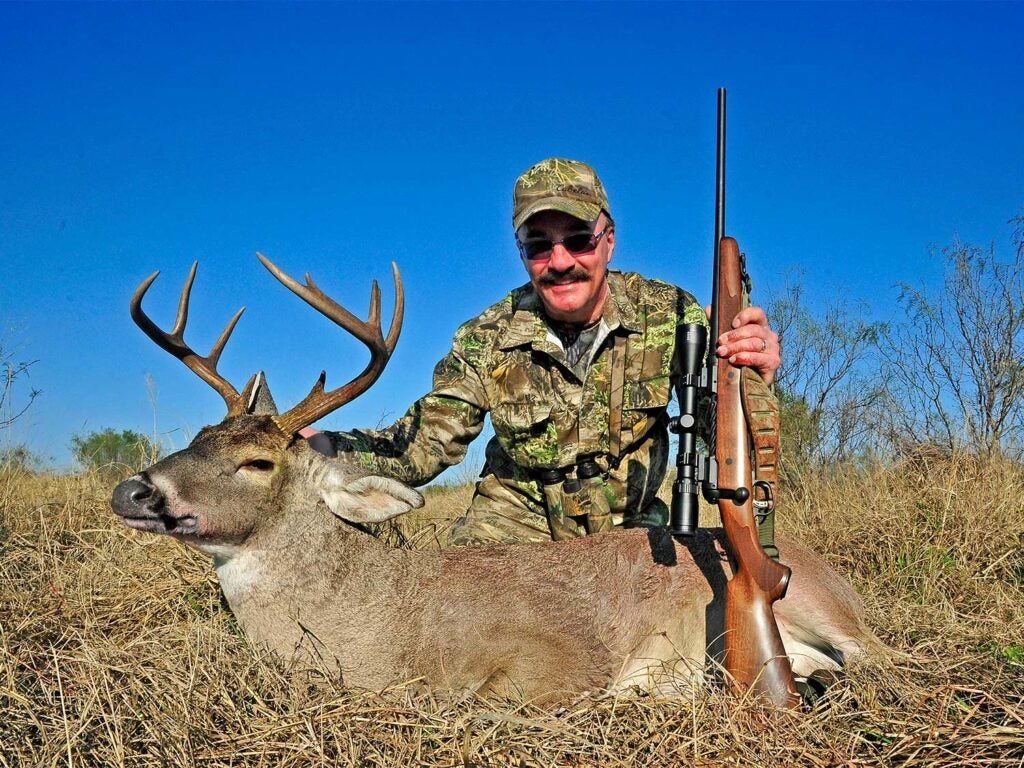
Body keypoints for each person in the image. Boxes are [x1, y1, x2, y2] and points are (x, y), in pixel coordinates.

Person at [307, 158, 781, 547]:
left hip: (631, 529)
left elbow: (720, 425)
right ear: (521, 253)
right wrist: (325, 448)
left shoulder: (670, 314)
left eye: (578, 241)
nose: (560, 263)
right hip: (514, 526)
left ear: (608, 241)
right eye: (539, 246)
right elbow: (424, 444)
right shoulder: (485, 335)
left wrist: (753, 377)